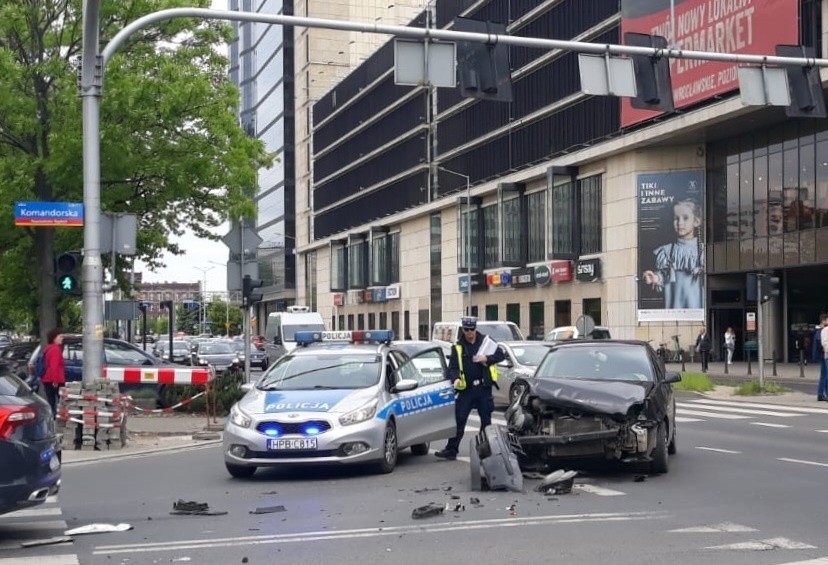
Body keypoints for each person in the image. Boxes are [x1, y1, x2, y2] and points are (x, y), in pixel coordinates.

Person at [435, 316, 505, 460]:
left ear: (475, 328)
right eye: (466, 329)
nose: (469, 332)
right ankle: (451, 450)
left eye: (471, 329)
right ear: (463, 329)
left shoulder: (486, 342)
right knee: (460, 419)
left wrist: (487, 358)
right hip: (466, 390)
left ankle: (486, 450)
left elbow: (501, 355)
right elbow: (452, 368)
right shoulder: (458, 347)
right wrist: (455, 379)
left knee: (486, 421)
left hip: (483, 388)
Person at [642, 199, 704, 309]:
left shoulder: (703, 250)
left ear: (697, 221)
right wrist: (655, 278)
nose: (680, 222)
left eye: (685, 218)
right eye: (676, 218)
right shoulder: (666, 251)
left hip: (697, 310)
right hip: (674, 309)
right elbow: (663, 275)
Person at [41, 328, 66, 416]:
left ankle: (52, 418)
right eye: (60, 337)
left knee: (51, 401)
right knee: (62, 401)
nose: (62, 338)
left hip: (47, 379)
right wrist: (55, 380)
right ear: (54, 338)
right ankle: (57, 419)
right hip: (55, 380)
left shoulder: (48, 348)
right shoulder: (56, 349)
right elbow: (53, 366)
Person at [815, 314, 828, 401]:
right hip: (824, 354)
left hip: (823, 354)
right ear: (823, 320)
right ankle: (823, 394)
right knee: (825, 375)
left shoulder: (819, 329)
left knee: (824, 375)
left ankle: (821, 394)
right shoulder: (822, 330)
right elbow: (823, 342)